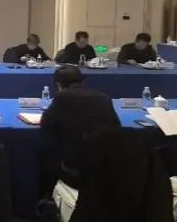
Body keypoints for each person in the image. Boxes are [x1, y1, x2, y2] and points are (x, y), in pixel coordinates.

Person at [39, 64, 119, 194]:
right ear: (83, 81)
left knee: (46, 155)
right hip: (106, 166)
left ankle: (44, 197)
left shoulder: (63, 98)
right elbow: (116, 127)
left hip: (75, 169)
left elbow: (46, 125)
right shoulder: (103, 97)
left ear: (59, 85)